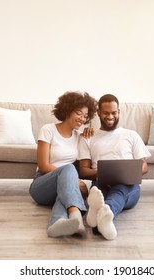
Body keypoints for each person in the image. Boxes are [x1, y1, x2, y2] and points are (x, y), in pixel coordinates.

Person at [78, 94, 151, 240]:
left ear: (119, 112)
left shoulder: (131, 135)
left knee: (120, 190)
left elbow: (144, 166)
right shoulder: (88, 136)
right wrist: (104, 172)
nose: (110, 116)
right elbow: (83, 170)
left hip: (128, 185)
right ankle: (104, 219)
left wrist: (128, 172)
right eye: (106, 113)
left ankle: (101, 211)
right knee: (99, 192)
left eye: (114, 112)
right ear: (98, 113)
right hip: (100, 182)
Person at [29, 91, 97, 238]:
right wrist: (74, 179)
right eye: (79, 113)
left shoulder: (79, 136)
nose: (82, 119)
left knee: (65, 191)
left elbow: (95, 146)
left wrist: (91, 135)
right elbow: (43, 165)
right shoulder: (48, 130)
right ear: (67, 110)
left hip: (64, 186)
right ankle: (76, 216)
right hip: (42, 184)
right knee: (69, 168)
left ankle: (57, 223)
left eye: (85, 116)